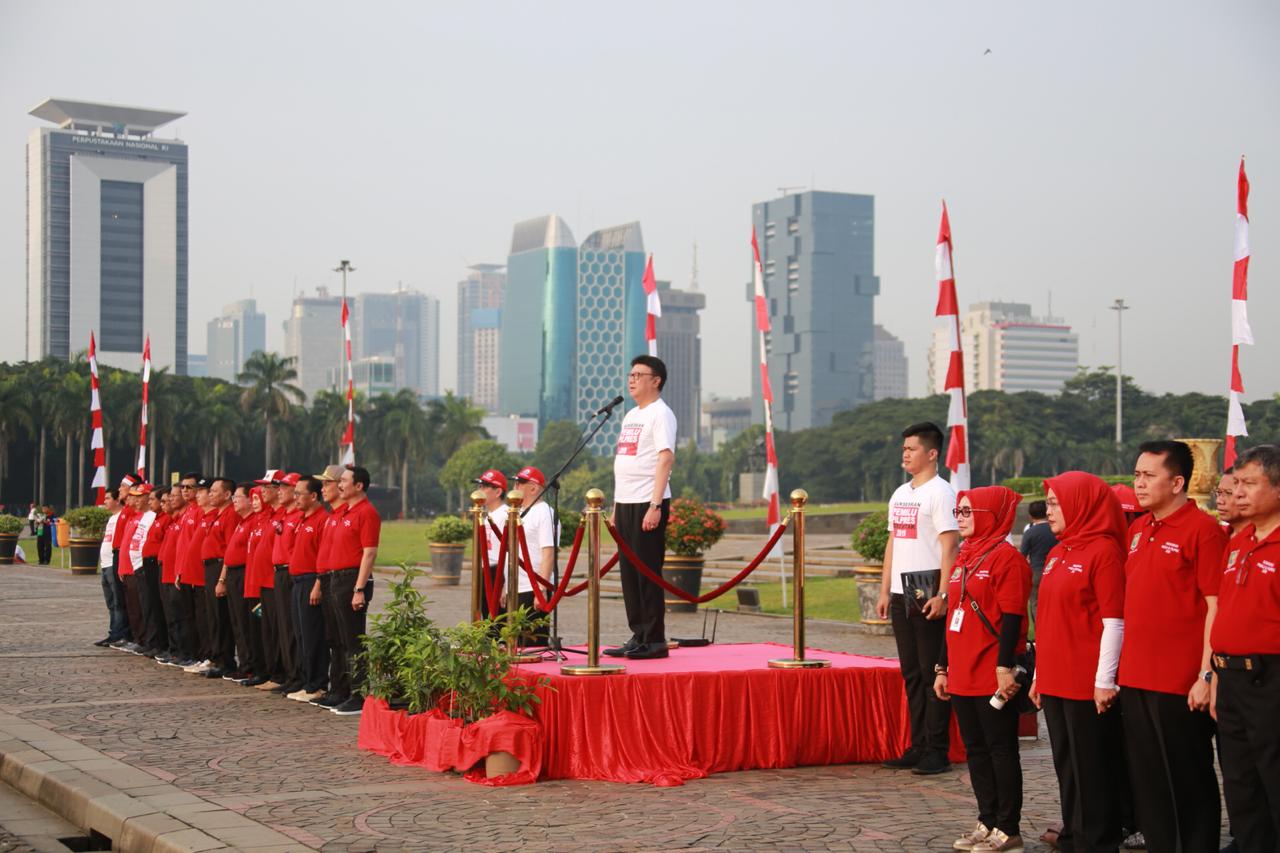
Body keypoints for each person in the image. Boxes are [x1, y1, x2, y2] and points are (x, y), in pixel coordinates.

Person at [1120, 440, 1225, 852]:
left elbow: (1215, 606)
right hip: (1136, 676)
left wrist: (1205, 674)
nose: (1139, 484)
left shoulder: (1203, 531)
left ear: (1178, 482)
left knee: (1188, 779)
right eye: (1136, 475)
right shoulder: (1138, 529)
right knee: (1148, 781)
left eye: (1149, 476)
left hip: (1180, 681)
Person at [1028, 472, 1128, 852]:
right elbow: (1049, 620)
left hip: (1086, 680)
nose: (1049, 511)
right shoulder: (1058, 552)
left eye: (1056, 503)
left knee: (1092, 767)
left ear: (1081, 504)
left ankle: (1098, 840)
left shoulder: (1104, 552)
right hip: (1055, 677)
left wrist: (1105, 679)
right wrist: (1040, 674)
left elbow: (1113, 621)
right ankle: (1074, 832)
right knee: (1067, 764)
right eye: (1049, 503)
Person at [933, 486, 1031, 853]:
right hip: (962, 670)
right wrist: (942, 667)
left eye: (966, 511)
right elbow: (951, 616)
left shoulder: (1007, 559)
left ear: (989, 514)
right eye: (957, 511)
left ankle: (1009, 828)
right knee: (975, 749)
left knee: (1000, 748)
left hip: (992, 671)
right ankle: (986, 819)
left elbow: (1012, 618)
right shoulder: (964, 556)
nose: (959, 517)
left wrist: (1005, 665)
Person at [876, 421, 958, 775]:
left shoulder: (941, 493)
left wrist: (943, 592)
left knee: (931, 673)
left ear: (932, 453)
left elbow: (950, 545)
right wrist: (884, 590)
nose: (905, 454)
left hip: (927, 593)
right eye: (904, 449)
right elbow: (893, 542)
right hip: (900, 593)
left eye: (912, 449)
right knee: (911, 673)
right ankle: (918, 744)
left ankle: (937, 749)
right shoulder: (900, 494)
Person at [1211, 444, 1280, 850]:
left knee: (1273, 772)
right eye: (1236, 484)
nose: (1238, 493)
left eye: (1250, 484)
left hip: (1270, 677)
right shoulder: (1238, 543)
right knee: (1239, 777)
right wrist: (1215, 674)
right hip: (1231, 675)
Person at [604, 354, 677, 661]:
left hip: (649, 501)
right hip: (626, 501)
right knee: (629, 575)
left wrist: (655, 504)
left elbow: (665, 458)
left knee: (647, 572)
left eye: (638, 374)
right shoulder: (632, 414)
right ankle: (638, 634)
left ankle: (655, 639)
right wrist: (616, 507)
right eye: (630, 374)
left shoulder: (661, 414)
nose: (631, 379)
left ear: (655, 380)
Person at [318, 465, 381, 716]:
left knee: (354, 642)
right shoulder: (345, 513)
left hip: (352, 580)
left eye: (344, 481)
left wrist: (359, 588)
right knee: (340, 641)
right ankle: (342, 690)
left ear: (359, 486)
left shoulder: (366, 513)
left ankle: (359, 694)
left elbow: (370, 552)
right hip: (336, 579)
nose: (339, 484)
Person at [286, 475, 330, 703]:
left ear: (313, 496)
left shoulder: (322, 519)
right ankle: (307, 681)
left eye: (298, 494)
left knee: (313, 635)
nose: (295, 498)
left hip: (312, 581)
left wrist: (318, 584)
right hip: (297, 582)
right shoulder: (302, 519)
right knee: (301, 635)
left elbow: (323, 556)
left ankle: (317, 684)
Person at [217, 483, 262, 685]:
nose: (234, 500)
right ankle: (244, 663)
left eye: (238, 497)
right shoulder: (241, 522)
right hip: (234, 574)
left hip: (245, 573)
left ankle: (251, 666)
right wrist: (223, 578)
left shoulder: (253, 522)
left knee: (246, 621)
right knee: (236, 621)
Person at [313, 464, 348, 709]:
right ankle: (335, 688)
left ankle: (346, 690)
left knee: (344, 640)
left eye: (327, 483)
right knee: (332, 638)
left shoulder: (346, 513)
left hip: (342, 579)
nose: (323, 488)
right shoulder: (333, 515)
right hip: (326, 579)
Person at [197, 477, 237, 679]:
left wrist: (222, 579)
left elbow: (230, 550)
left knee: (221, 617)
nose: (210, 494)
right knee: (213, 616)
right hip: (210, 567)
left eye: (214, 491)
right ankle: (217, 657)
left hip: (220, 567)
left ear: (227, 494)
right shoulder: (217, 515)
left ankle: (225, 661)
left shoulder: (230, 515)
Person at [513, 466, 556, 644]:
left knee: (533, 643)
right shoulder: (520, 512)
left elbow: (548, 552)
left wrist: (541, 590)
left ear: (534, 488)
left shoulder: (544, 512)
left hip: (534, 586)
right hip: (518, 585)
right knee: (517, 642)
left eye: (520, 483)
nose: (515, 487)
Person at [270, 472, 302, 695]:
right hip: (279, 573)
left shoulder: (299, 516)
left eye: (284, 487)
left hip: (292, 573)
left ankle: (298, 675)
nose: (280, 490)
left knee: (293, 627)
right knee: (283, 626)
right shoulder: (283, 515)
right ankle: (291, 675)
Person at [94, 489, 129, 648]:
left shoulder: (122, 516)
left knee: (117, 602)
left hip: (113, 565)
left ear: (117, 500)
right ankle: (113, 632)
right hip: (105, 565)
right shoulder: (112, 519)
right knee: (110, 603)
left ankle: (119, 634)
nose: (105, 501)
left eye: (108, 498)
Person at [475, 469, 509, 619]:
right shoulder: (486, 514)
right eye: (480, 486)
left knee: (498, 621)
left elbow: (512, 551)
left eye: (485, 486)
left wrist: (506, 584)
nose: (480, 490)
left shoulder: (506, 514)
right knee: (486, 618)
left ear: (498, 492)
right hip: (484, 571)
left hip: (498, 572)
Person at [1019, 499, 1057, 626]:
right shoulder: (1055, 529)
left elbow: (1022, 555)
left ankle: (1039, 630)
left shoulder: (1030, 532)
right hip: (1055, 570)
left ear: (1030, 515)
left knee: (1035, 603)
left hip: (1036, 571)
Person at [1216, 468, 1247, 537]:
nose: (1219, 501)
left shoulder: (1257, 539)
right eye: (1219, 492)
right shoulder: (1224, 534)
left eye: (1228, 493)